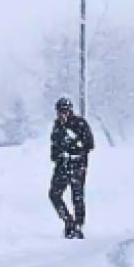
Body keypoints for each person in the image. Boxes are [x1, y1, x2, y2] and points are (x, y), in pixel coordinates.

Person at [49, 97, 94, 239]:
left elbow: (89, 144)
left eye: (64, 111)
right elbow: (54, 144)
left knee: (77, 196)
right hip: (62, 166)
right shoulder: (57, 126)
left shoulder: (80, 123)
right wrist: (57, 155)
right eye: (60, 111)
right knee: (54, 195)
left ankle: (78, 226)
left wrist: (75, 148)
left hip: (77, 165)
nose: (62, 114)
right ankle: (69, 222)